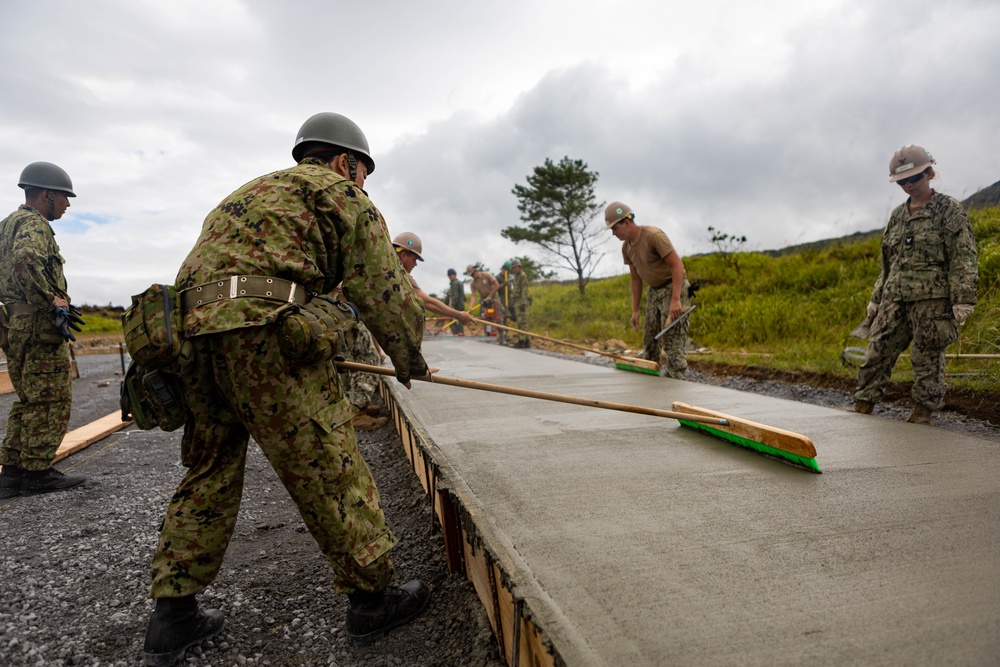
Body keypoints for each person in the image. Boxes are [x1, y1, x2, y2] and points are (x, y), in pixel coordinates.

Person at [142, 112, 434, 666]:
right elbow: (383, 291)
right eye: (363, 172)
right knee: (326, 459)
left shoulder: (244, 194)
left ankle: (172, 616)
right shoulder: (342, 194)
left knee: (209, 467)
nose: (363, 183)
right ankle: (372, 599)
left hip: (193, 339)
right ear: (346, 162)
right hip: (267, 333)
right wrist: (409, 358)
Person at [854, 145, 978, 425]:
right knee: (877, 351)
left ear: (929, 173)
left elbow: (963, 255)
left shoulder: (948, 209)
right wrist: (876, 298)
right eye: (902, 182)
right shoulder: (898, 216)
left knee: (927, 356)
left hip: (932, 301)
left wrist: (963, 298)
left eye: (914, 178)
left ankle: (923, 413)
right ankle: (863, 405)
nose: (909, 185)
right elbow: (888, 261)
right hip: (894, 297)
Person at [0, 162, 86, 499]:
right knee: (52, 399)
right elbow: (26, 261)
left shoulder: (7, 225)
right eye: (64, 197)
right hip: (37, 324)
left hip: (15, 323)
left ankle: (12, 473)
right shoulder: (34, 224)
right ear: (47, 195)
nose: (67, 204)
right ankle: (37, 473)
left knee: (28, 398)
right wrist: (50, 300)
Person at [606, 201, 691, 379]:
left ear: (626, 222)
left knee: (671, 338)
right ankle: (651, 379)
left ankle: (677, 379)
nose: (613, 234)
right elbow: (635, 278)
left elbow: (677, 265)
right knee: (650, 338)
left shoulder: (653, 236)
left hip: (673, 287)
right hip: (654, 291)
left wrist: (676, 299)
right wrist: (635, 310)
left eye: (615, 229)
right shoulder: (626, 247)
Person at [392, 233, 474, 328]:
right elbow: (428, 302)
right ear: (403, 256)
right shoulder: (401, 273)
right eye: (414, 259)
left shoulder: (382, 266)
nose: (415, 264)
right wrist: (459, 315)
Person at [465, 263, 503, 335]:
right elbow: (473, 295)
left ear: (476, 270)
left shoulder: (486, 275)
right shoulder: (473, 283)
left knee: (499, 317)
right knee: (485, 318)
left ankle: (502, 336)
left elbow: (497, 285)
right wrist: (470, 308)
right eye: (471, 275)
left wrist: (490, 296)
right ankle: (488, 335)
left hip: (493, 297)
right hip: (484, 300)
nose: (473, 276)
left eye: (473, 274)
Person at [508, 258, 532, 348]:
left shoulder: (522, 276)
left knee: (523, 322)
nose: (513, 269)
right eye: (512, 268)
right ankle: (526, 341)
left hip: (522, 301)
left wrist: (522, 302)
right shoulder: (516, 276)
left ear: (519, 267)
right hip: (517, 301)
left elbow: (524, 290)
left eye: (515, 267)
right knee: (521, 322)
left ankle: (522, 341)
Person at [445, 268, 466, 336]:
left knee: (453, 322)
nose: (449, 277)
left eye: (449, 276)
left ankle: (457, 334)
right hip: (461, 304)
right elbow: (463, 296)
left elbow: (455, 295)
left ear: (453, 275)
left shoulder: (455, 283)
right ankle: (460, 334)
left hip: (457, 305)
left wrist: (453, 305)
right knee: (459, 320)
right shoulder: (460, 283)